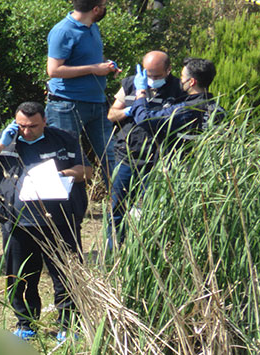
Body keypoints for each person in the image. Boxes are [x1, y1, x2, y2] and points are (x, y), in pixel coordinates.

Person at [0, 102, 92, 342]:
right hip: (18, 223)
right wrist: (0, 145)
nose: (26, 131)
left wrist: (63, 174)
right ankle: (26, 324)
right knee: (21, 275)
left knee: (66, 274)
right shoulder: (7, 141)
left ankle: (68, 325)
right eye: (22, 126)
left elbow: (87, 171)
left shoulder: (64, 139)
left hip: (60, 221)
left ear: (45, 121)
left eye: (33, 126)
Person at [110, 57, 224, 246]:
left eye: (182, 77)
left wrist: (140, 94)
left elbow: (146, 120)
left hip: (173, 173)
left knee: (156, 218)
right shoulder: (218, 109)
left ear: (192, 81)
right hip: (200, 177)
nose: (181, 81)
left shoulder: (186, 108)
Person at [106, 50, 184, 248]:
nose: (151, 79)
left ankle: (147, 253)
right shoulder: (131, 83)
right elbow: (111, 115)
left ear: (168, 70)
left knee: (153, 209)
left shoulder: (178, 88)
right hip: (127, 155)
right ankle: (113, 251)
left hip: (159, 159)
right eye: (148, 74)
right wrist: (126, 111)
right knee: (117, 207)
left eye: (157, 76)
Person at [46, 0, 119, 186]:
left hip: (97, 103)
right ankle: (65, 209)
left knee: (111, 155)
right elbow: (53, 70)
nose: (105, 8)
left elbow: (90, 57)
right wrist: (94, 69)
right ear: (95, 9)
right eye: (103, 5)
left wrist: (106, 65)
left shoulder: (92, 27)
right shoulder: (62, 31)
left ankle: (121, 207)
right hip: (66, 105)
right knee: (66, 157)